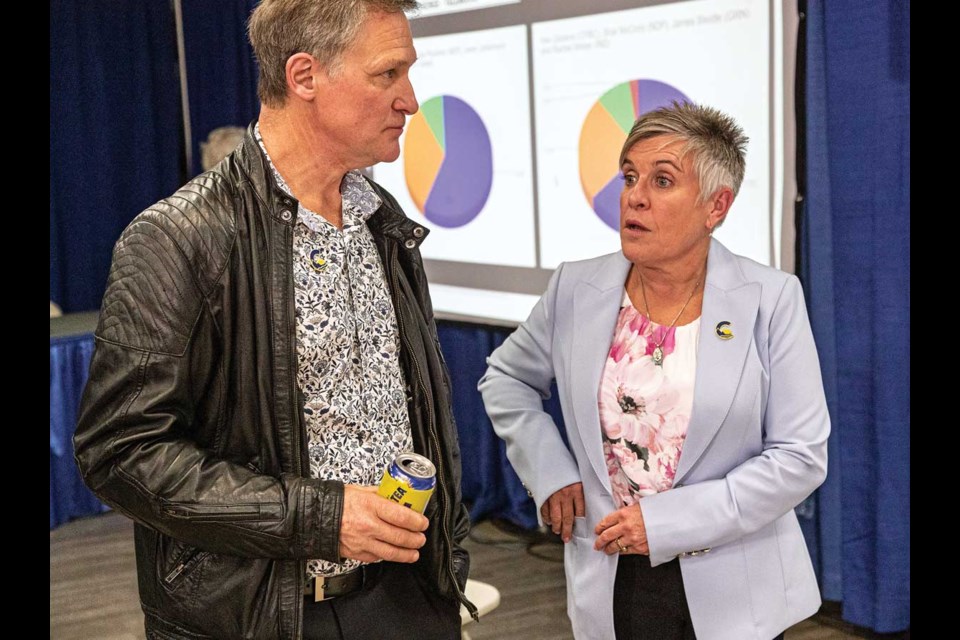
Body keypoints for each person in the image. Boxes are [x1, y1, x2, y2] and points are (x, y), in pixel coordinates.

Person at [73, 1, 476, 638]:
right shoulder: (179, 238)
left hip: (409, 596)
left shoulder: (382, 220)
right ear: (304, 76)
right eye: (388, 74)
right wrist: (320, 518)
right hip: (261, 614)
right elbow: (121, 453)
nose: (411, 101)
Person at [479, 102, 829, 640]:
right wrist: (550, 468)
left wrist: (667, 523)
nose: (635, 196)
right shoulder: (577, 288)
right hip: (611, 572)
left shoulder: (771, 298)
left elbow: (800, 457)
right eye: (629, 177)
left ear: (717, 206)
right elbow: (506, 378)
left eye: (662, 180)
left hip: (736, 584)